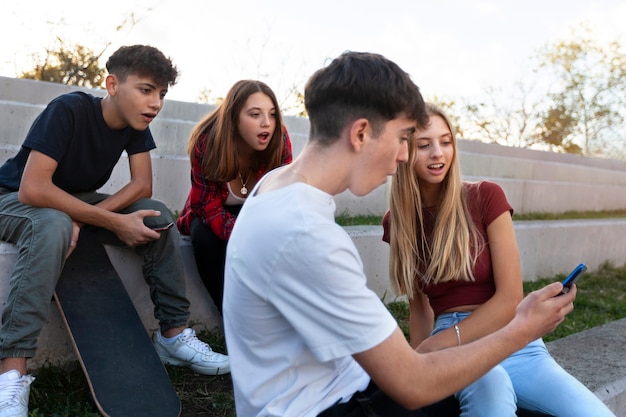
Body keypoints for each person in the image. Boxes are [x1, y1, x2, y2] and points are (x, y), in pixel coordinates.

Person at [222, 51, 578, 417]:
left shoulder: (276, 187)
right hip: (328, 408)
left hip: (339, 387)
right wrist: (522, 328)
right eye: (405, 137)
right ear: (361, 133)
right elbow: (414, 384)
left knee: (493, 388)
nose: (405, 156)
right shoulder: (305, 231)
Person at [0, 44, 229, 417]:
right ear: (112, 84)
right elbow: (34, 188)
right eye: (145, 89)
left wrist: (87, 218)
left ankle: (172, 335)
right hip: (13, 199)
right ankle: (10, 374)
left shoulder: (135, 124)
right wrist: (109, 221)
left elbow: (142, 187)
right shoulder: (68, 110)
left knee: (155, 214)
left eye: (162, 94)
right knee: (54, 223)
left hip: (71, 200)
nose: (155, 103)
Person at [383, 102, 615, 417]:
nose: (438, 152)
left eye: (446, 141)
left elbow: (510, 298)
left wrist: (434, 348)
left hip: (517, 342)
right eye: (424, 145)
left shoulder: (485, 196)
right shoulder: (397, 221)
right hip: (455, 348)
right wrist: (423, 366)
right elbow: (419, 307)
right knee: (491, 394)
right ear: (405, 151)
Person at [177, 80, 292, 314]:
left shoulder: (279, 139)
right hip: (214, 214)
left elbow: (284, 198)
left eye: (272, 114)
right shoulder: (207, 141)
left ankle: (277, 314)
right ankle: (231, 316)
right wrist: (246, 235)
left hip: (258, 212)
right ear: (233, 118)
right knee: (203, 235)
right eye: (255, 114)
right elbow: (205, 205)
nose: (267, 123)